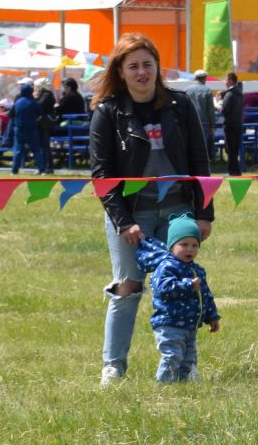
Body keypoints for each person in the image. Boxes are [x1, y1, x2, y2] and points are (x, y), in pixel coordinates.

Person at [90, 34, 217, 385]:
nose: (142, 72)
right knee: (128, 287)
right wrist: (123, 222)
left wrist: (205, 213)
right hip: (134, 215)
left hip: (178, 211)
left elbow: (199, 161)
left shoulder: (180, 104)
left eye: (148, 64)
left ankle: (185, 365)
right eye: (133, 66)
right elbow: (102, 176)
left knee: (182, 286)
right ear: (121, 70)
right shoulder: (108, 113)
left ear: (158, 66)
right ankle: (113, 365)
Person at [135, 217, 221, 383]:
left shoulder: (197, 270)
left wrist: (212, 316)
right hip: (169, 323)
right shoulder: (166, 266)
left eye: (194, 245)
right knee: (172, 355)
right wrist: (187, 285)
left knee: (188, 359)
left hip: (189, 324)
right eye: (184, 244)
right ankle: (164, 386)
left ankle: (181, 385)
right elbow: (163, 289)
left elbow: (205, 295)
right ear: (172, 245)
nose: (190, 249)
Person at [10, 81, 51, 174]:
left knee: (18, 149)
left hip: (19, 128)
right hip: (32, 129)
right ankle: (42, 169)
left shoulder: (18, 102)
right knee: (36, 149)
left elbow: (11, 114)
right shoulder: (33, 103)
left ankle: (14, 170)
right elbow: (41, 114)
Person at [219, 71, 246, 176]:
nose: (224, 82)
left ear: (230, 81)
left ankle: (232, 171)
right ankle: (237, 170)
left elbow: (224, 109)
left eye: (226, 79)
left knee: (230, 149)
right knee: (235, 149)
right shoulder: (239, 93)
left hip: (230, 124)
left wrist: (218, 103)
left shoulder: (230, 94)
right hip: (238, 123)